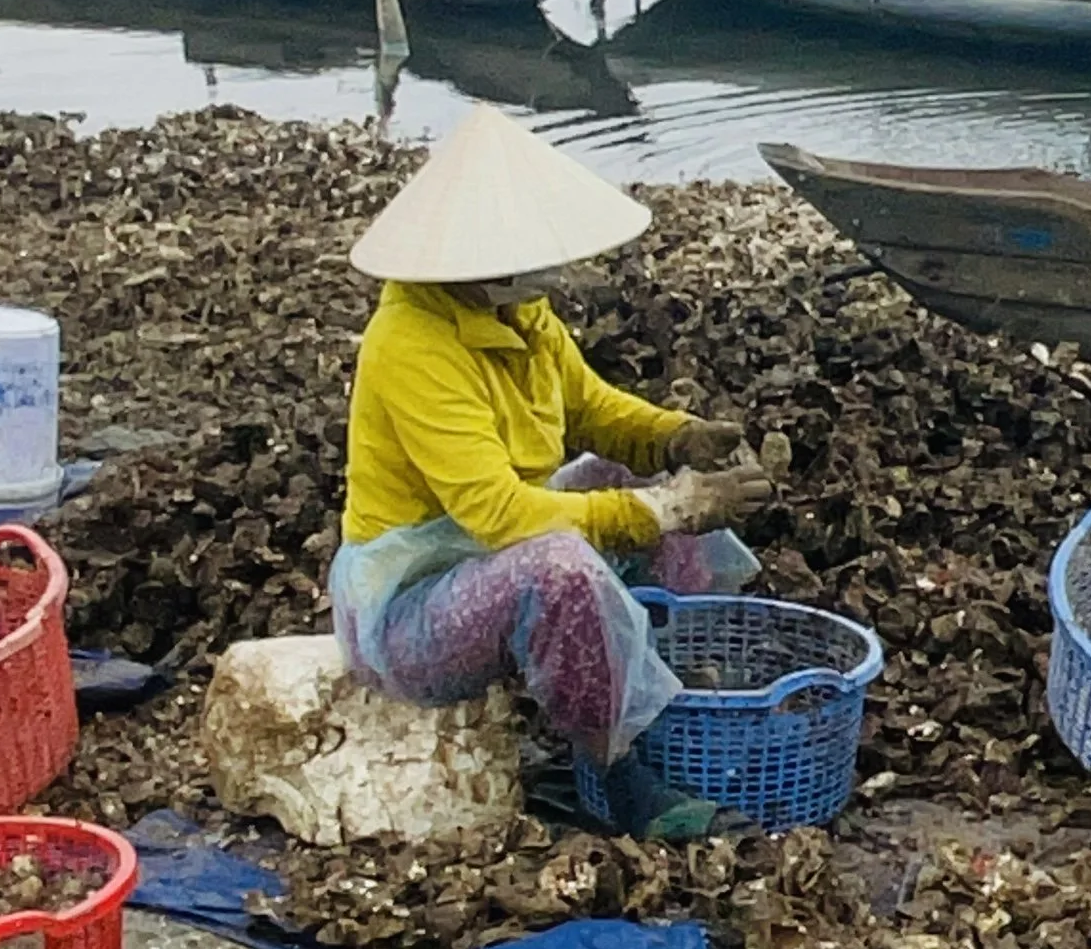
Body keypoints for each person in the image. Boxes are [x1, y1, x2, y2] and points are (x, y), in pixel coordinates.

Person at [329, 104, 773, 841]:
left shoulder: (519, 313)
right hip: (410, 607)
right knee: (560, 567)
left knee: (616, 477)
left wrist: (676, 441)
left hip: (481, 559)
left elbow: (591, 407)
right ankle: (615, 767)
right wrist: (665, 511)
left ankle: (669, 670)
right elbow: (499, 517)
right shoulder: (411, 342)